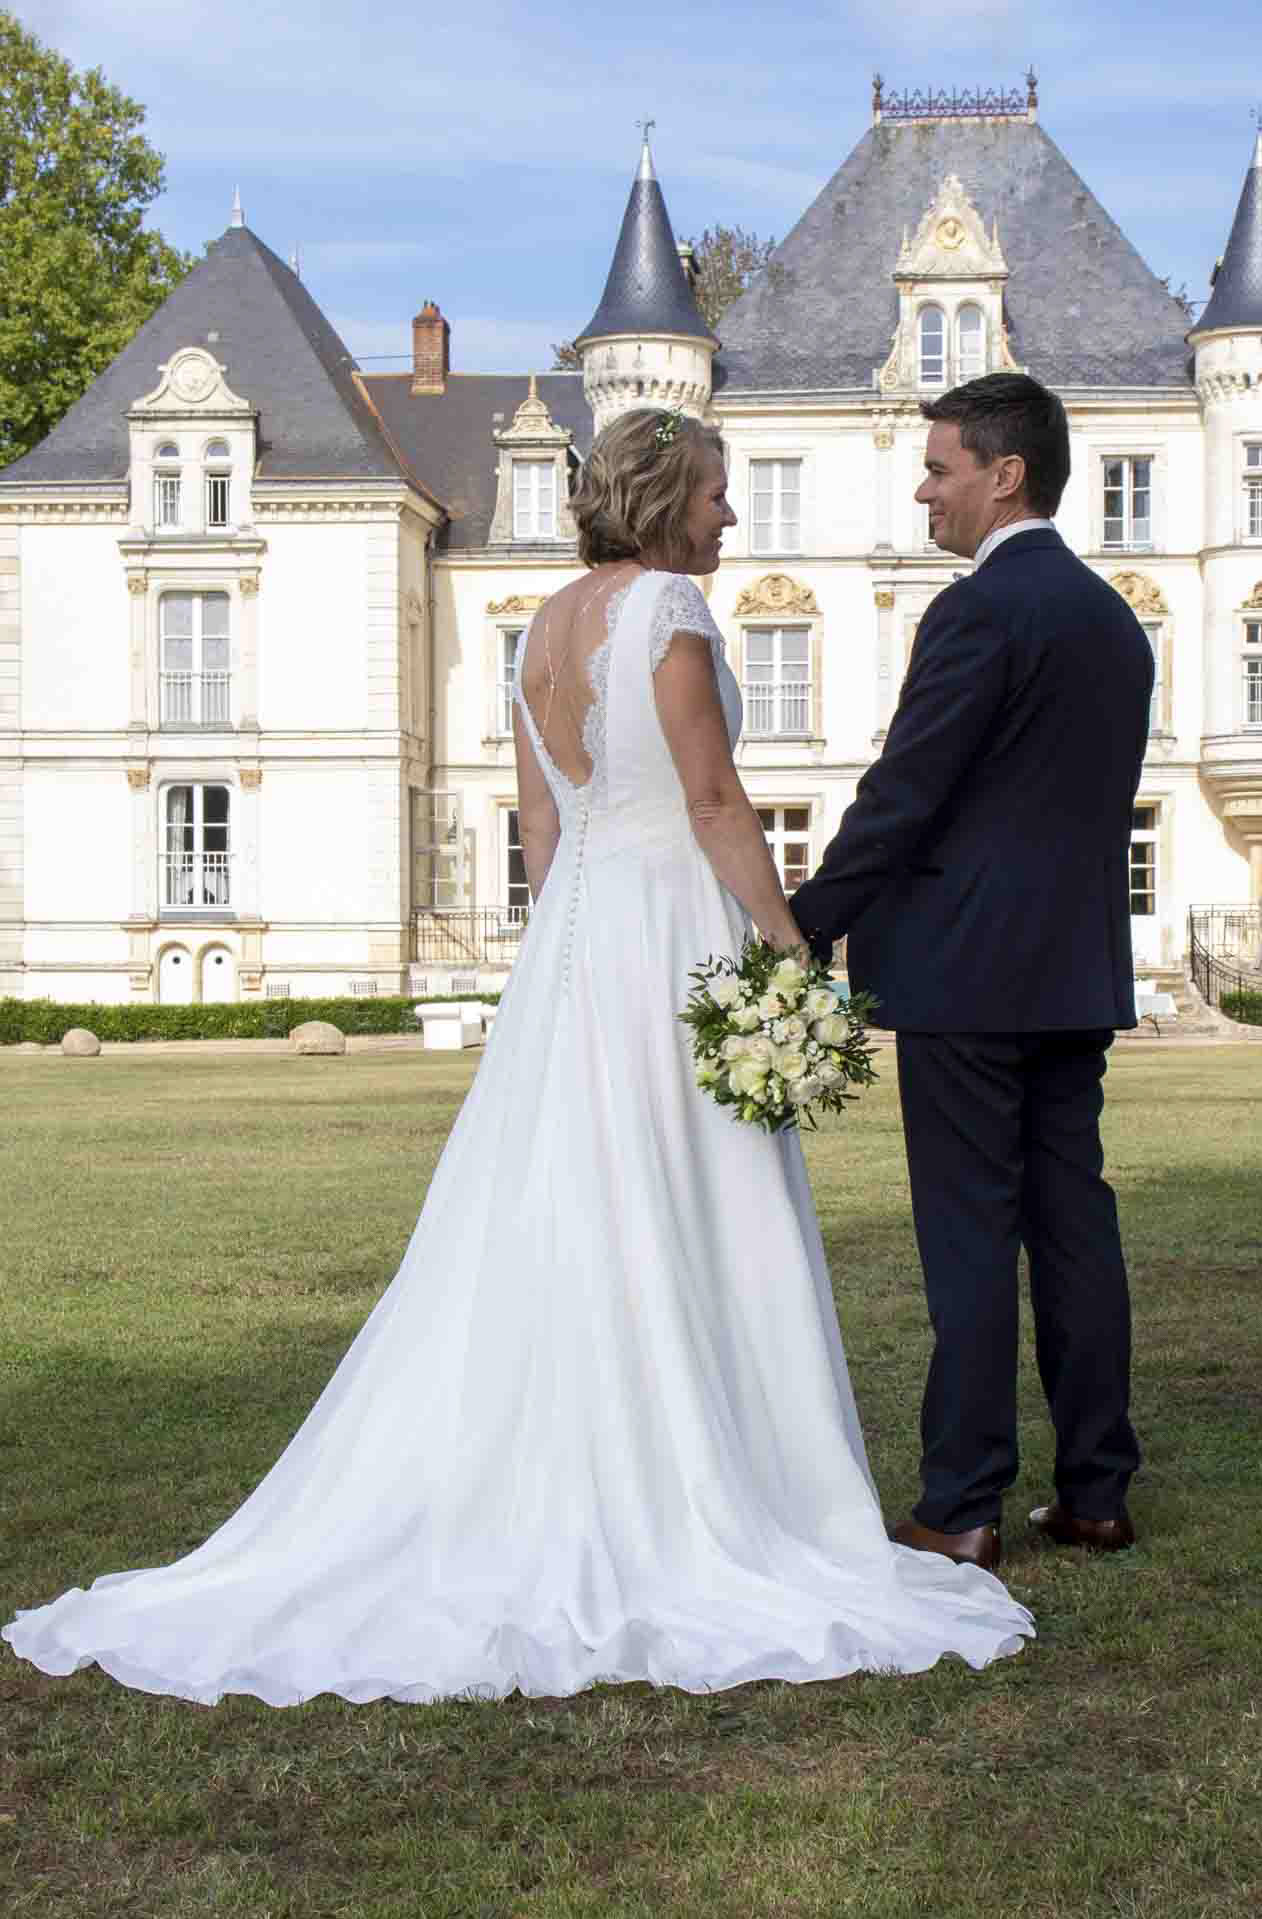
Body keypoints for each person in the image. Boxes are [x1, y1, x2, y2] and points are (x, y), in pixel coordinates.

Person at [3, 408, 1032, 1705]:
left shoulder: (545, 626)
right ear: (666, 502)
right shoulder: (668, 609)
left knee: (558, 1205)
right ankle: (698, 1488)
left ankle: (554, 1457)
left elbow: (545, 828)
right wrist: (786, 958)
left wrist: (564, 961)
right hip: (667, 934)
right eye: (717, 494)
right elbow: (716, 806)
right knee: (693, 1199)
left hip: (576, 946)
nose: (729, 518)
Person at [789, 372, 1153, 1574]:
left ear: (1007, 474)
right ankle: (1097, 1487)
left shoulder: (975, 611)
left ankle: (962, 1501)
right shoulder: (1114, 620)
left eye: (939, 466)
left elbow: (909, 792)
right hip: (1074, 971)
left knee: (968, 1235)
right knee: (1074, 1222)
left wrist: (805, 920)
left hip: (965, 976)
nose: (923, 487)